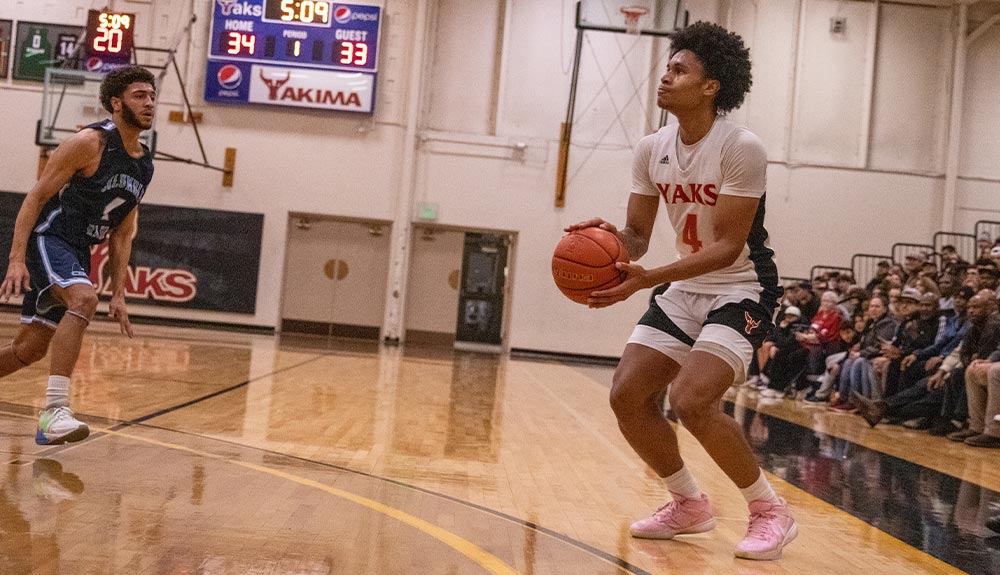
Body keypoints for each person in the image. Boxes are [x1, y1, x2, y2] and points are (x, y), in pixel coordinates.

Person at [565, 22, 795, 560]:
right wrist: (606, 241)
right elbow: (639, 238)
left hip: (741, 286)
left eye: (679, 70)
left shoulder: (741, 147)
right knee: (626, 395)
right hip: (682, 288)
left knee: (691, 399)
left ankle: (770, 511)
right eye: (667, 68)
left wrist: (648, 278)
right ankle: (688, 504)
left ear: (711, 86)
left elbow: (726, 245)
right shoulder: (652, 148)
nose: (665, 78)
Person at [0, 66, 155, 445]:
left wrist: (118, 292)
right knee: (84, 298)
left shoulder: (144, 162)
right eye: (139, 95)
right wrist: (16, 258)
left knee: (28, 350)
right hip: (49, 237)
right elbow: (36, 196)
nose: (149, 102)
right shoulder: (89, 143)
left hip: (77, 251)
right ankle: (54, 412)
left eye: (152, 95)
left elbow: (122, 232)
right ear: (116, 103)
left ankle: (53, 411)